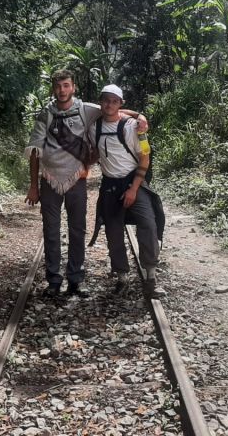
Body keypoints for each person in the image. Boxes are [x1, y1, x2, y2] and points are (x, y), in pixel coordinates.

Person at [24, 70, 146, 297]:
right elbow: (34, 152)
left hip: (77, 179)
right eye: (58, 86)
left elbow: (111, 109)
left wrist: (139, 116)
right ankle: (53, 280)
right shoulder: (45, 115)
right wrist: (33, 186)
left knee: (77, 230)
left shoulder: (85, 109)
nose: (62, 90)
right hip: (49, 178)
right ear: (54, 88)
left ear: (73, 87)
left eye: (66, 85)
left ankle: (75, 280)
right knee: (51, 230)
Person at [90, 84, 163, 299]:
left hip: (133, 181)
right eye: (106, 100)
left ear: (121, 104)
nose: (109, 104)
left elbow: (145, 157)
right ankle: (122, 277)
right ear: (100, 102)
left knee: (148, 224)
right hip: (110, 184)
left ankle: (150, 276)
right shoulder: (94, 127)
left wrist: (133, 189)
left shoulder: (134, 127)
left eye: (114, 101)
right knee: (113, 231)